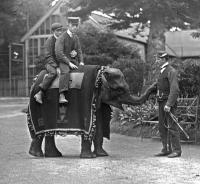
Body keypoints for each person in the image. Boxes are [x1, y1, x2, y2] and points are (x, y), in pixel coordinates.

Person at [154, 52, 182, 158]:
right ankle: (166, 149)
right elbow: (159, 88)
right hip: (161, 102)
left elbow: (175, 90)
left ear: (163, 59)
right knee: (162, 126)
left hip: (168, 103)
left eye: (158, 59)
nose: (156, 61)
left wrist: (169, 104)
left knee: (172, 126)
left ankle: (177, 150)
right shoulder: (161, 71)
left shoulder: (171, 71)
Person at [34, 22, 64, 104]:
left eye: (61, 30)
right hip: (49, 63)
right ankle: (40, 93)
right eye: (58, 31)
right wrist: (56, 66)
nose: (60, 32)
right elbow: (48, 56)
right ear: (53, 31)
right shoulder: (49, 41)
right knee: (53, 73)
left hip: (60, 63)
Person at [55, 24, 84, 103]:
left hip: (73, 60)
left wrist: (81, 61)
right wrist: (69, 63)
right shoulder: (61, 38)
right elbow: (59, 53)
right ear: (69, 26)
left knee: (83, 70)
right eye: (73, 26)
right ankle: (61, 95)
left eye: (76, 26)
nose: (75, 28)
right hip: (63, 61)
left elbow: (79, 50)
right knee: (65, 72)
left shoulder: (75, 37)